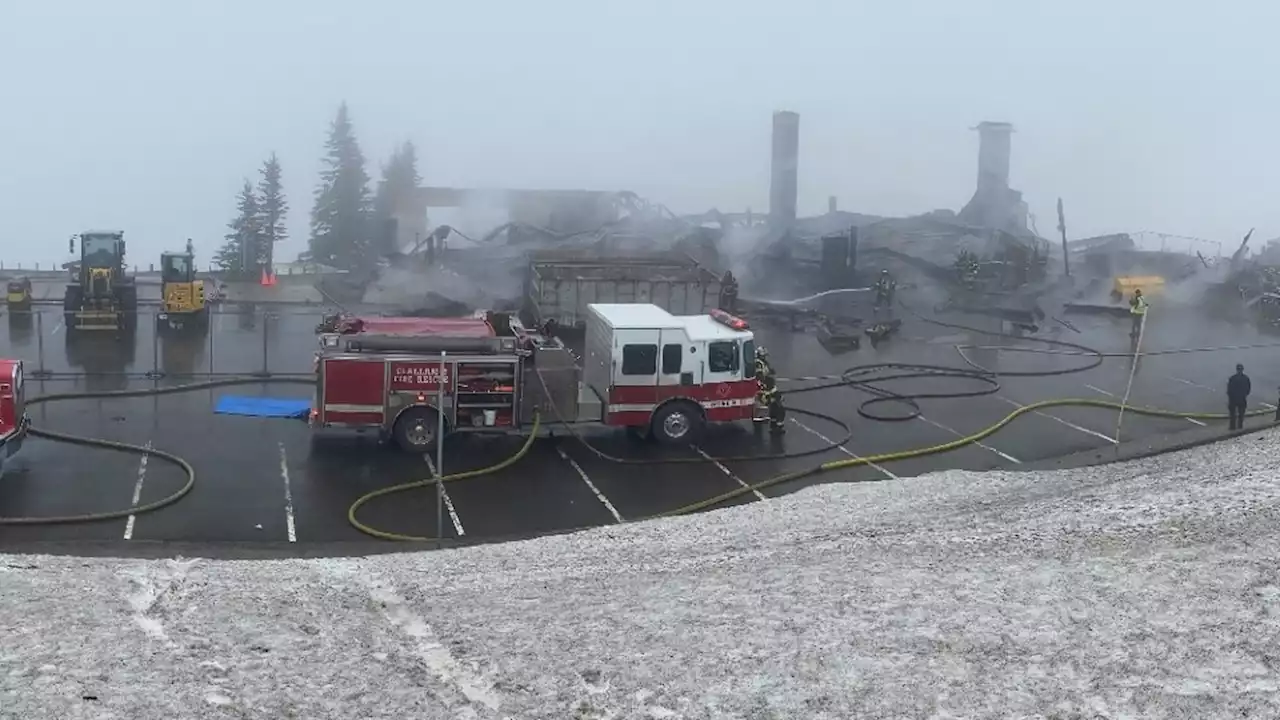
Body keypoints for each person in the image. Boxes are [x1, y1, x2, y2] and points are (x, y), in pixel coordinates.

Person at [1227, 363, 1251, 430]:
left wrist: (1231, 397)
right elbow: (1248, 389)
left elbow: (1229, 389)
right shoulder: (1245, 378)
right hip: (1239, 399)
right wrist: (1245, 395)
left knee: (1235, 416)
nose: (1239, 370)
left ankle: (1234, 428)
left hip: (1236, 399)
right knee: (1239, 415)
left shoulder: (1233, 378)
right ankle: (1237, 427)